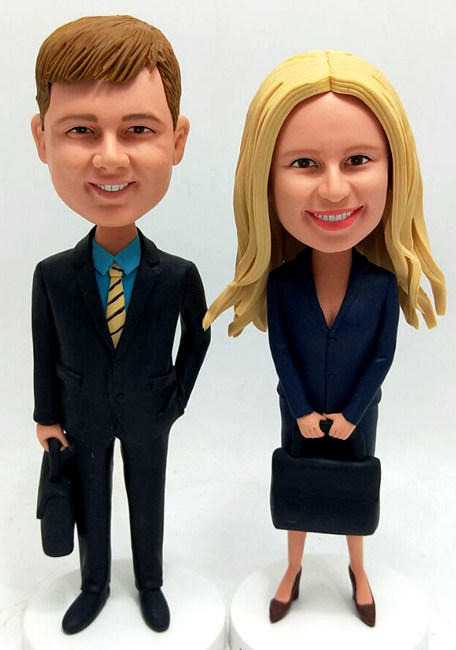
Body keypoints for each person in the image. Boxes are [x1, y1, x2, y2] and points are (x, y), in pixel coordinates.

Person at [203, 50, 445, 627]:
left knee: (354, 493)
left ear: (394, 170)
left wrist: (353, 414)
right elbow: (281, 352)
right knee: (299, 490)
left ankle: (359, 569)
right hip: (301, 413)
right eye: (304, 163)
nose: (335, 190)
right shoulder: (283, 284)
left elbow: (382, 355)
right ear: (265, 179)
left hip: (359, 415)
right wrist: (303, 411)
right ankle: (293, 568)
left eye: (358, 160)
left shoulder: (382, 285)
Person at [31, 15, 210, 635]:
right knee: (92, 501)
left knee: (147, 497)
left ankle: (150, 581)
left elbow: (199, 336)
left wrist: (175, 398)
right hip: (81, 413)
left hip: (149, 411)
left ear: (177, 140)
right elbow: (43, 347)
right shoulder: (54, 276)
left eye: (138, 129)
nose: (110, 156)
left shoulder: (178, 274)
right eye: (81, 129)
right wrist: (46, 415)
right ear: (42, 138)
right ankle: (94, 582)